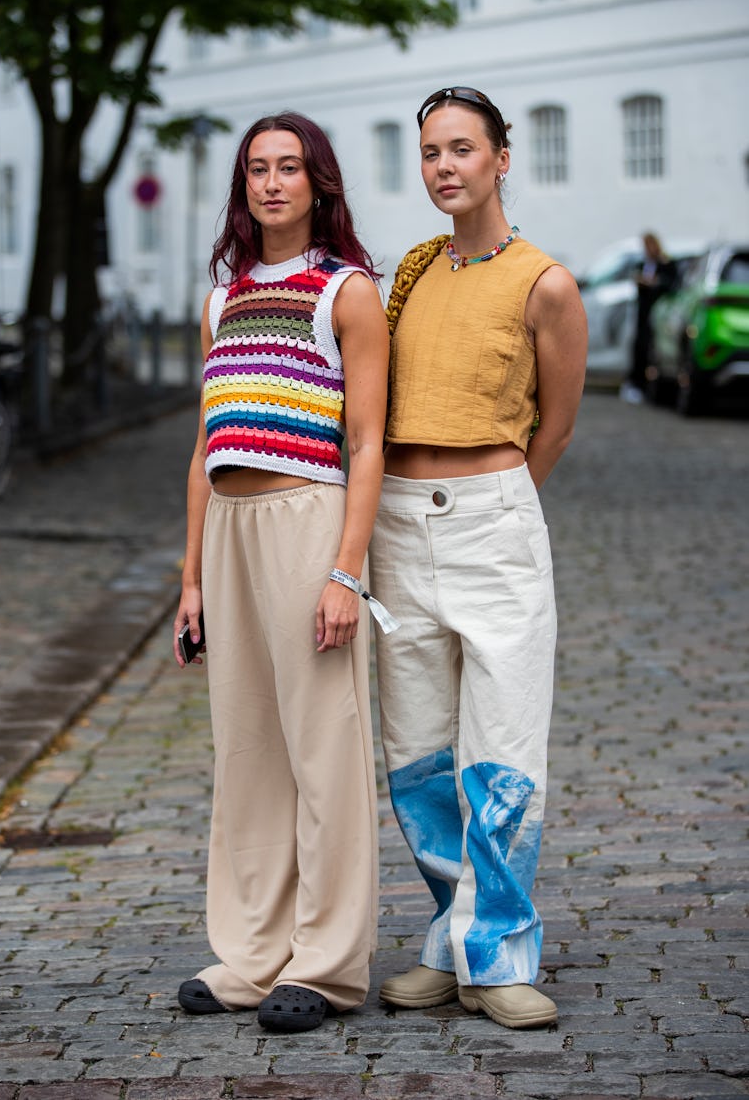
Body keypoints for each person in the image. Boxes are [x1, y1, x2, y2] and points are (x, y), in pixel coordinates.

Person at [369, 86, 588, 1030]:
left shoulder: (545, 283)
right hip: (396, 527)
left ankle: (497, 955)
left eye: (462, 148)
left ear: (503, 158)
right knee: (417, 756)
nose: (444, 166)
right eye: (429, 152)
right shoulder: (411, 274)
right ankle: (453, 933)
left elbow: (556, 426)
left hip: (493, 522)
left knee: (501, 751)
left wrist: (496, 498)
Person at [173, 111, 391, 1034]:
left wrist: (347, 572)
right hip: (228, 527)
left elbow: (368, 440)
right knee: (249, 748)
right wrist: (190, 580)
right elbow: (202, 446)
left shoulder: (344, 292)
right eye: (257, 169)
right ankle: (253, 954)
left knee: (323, 747)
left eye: (289, 168)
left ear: (318, 184)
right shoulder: (221, 301)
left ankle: (330, 963)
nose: (272, 183)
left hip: (309, 519)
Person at [623, 232, 678, 401]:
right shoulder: (641, 264)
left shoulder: (666, 264)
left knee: (655, 350)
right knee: (640, 347)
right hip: (643, 314)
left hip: (660, 314)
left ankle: (650, 389)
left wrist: (654, 283)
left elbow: (671, 284)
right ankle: (636, 384)